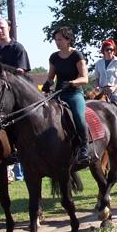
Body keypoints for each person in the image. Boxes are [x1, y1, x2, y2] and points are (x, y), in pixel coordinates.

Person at [0, 17, 31, 182]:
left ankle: (23, 154)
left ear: (9, 28)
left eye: (2, 27)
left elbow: (21, 73)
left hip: (15, 96)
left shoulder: (17, 49)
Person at [42, 26, 90, 167]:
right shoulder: (54, 57)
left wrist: (73, 83)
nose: (57, 42)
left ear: (68, 40)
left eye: (60, 39)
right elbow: (51, 77)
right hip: (59, 94)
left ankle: (84, 148)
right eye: (56, 40)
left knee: (79, 117)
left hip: (74, 93)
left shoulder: (77, 55)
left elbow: (85, 79)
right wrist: (47, 84)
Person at [93, 39, 117, 108]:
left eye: (111, 49)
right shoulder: (98, 63)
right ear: (103, 51)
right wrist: (97, 87)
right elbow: (97, 78)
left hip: (115, 91)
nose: (109, 51)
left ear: (114, 51)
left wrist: (114, 87)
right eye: (107, 49)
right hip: (102, 91)